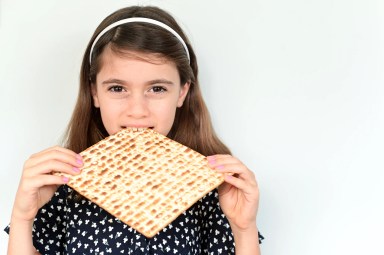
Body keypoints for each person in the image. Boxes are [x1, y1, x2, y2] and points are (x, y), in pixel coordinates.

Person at [6, 5, 263, 254]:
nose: (137, 110)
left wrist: (244, 229)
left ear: (182, 92)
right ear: (94, 91)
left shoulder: (213, 191)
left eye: (157, 89)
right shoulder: (61, 186)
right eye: (117, 88)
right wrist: (22, 217)